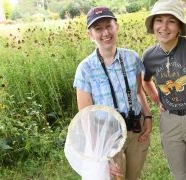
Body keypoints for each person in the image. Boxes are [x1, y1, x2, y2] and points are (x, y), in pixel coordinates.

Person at [73, 6, 153, 180]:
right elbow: (86, 117)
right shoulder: (85, 69)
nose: (105, 32)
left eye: (108, 25)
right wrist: (99, 158)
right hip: (107, 137)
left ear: (116, 26)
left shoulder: (132, 58)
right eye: (98, 28)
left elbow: (139, 91)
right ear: (90, 34)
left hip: (135, 130)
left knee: (134, 176)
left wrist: (147, 117)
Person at [141, 0, 186, 179]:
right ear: (153, 25)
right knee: (179, 175)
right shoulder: (149, 56)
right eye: (159, 20)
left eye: (171, 21)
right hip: (170, 122)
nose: (164, 27)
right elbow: (145, 81)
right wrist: (158, 100)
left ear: (180, 27)